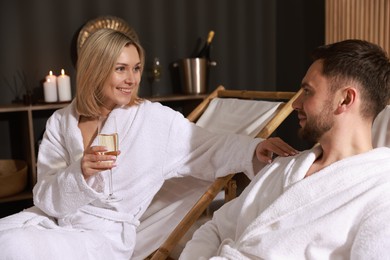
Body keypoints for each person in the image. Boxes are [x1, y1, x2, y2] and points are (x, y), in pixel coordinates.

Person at [0, 28, 297, 259]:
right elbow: (45, 197)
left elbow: (207, 147)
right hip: (54, 222)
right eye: (121, 69)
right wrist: (80, 173)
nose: (131, 79)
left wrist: (252, 148)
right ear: (94, 69)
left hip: (103, 241)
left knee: (13, 248)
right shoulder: (60, 122)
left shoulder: (153, 120)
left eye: (136, 68)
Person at [180, 39, 390, 259]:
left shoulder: (380, 193)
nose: (295, 103)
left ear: (345, 99)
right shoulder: (285, 166)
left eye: (308, 91)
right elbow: (214, 228)